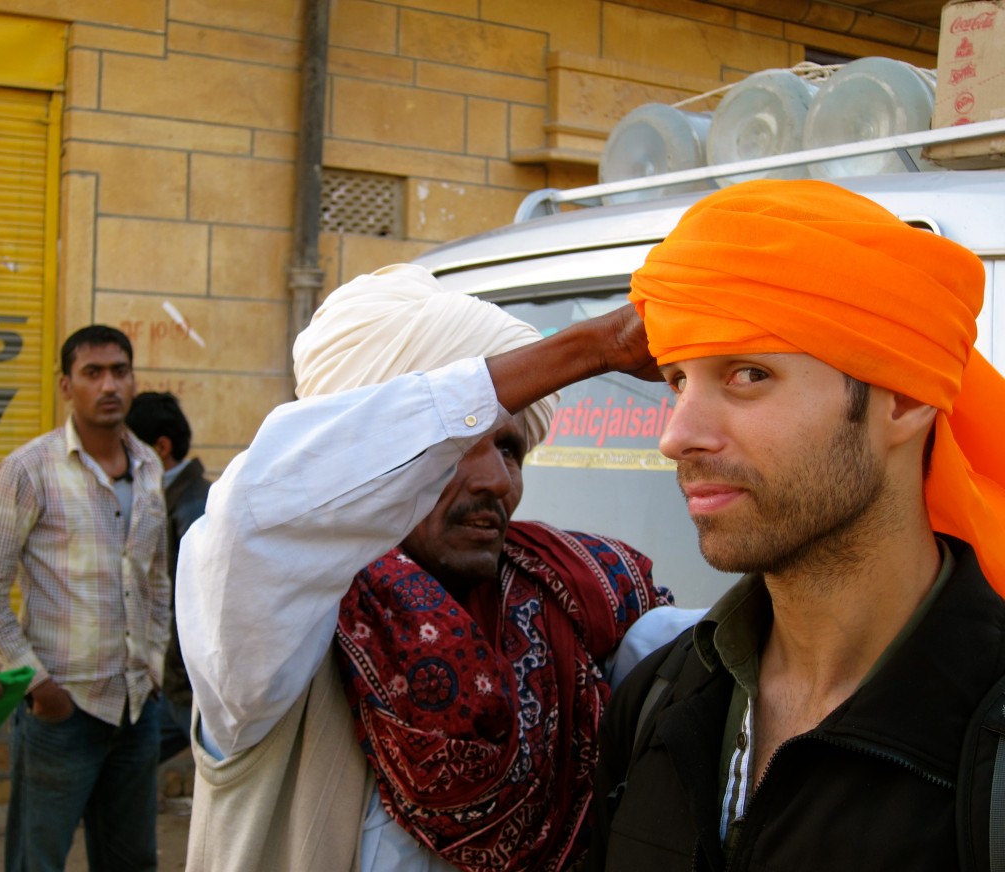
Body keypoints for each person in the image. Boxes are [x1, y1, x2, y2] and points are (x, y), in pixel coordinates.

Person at [177, 264, 704, 872]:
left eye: (509, 449)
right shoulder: (276, 640)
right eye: (452, 450)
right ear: (381, 463)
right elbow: (260, 508)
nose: (494, 481)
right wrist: (596, 347)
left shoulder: (578, 594)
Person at [586, 179, 1005, 872]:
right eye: (677, 381)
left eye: (747, 374)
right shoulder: (658, 699)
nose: (677, 435)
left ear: (902, 398)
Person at [0, 324, 171, 871]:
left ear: (133, 381)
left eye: (119, 371)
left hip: (136, 709)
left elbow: (156, 578)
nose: (109, 385)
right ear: (67, 386)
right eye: (93, 373)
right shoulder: (27, 471)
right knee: (36, 861)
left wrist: (153, 665)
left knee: (132, 860)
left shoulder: (149, 466)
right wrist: (40, 687)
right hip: (63, 713)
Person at [127, 391, 211, 761]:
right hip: (173, 684)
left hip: (188, 687)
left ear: (160, 448)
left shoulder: (193, 506)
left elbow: (198, 605)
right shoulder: (159, 500)